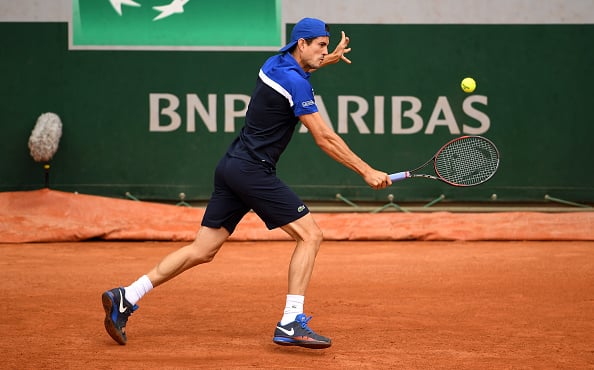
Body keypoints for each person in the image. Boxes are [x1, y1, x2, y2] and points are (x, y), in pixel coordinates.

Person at [102, 17, 391, 350]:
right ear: (302, 44)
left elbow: (305, 70)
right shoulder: (298, 84)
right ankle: (290, 321)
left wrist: (330, 57)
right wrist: (366, 170)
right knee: (311, 235)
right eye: (321, 45)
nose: (325, 51)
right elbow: (324, 137)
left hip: (231, 167)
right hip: (253, 171)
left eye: (327, 45)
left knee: (202, 250)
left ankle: (126, 295)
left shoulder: (275, 62)